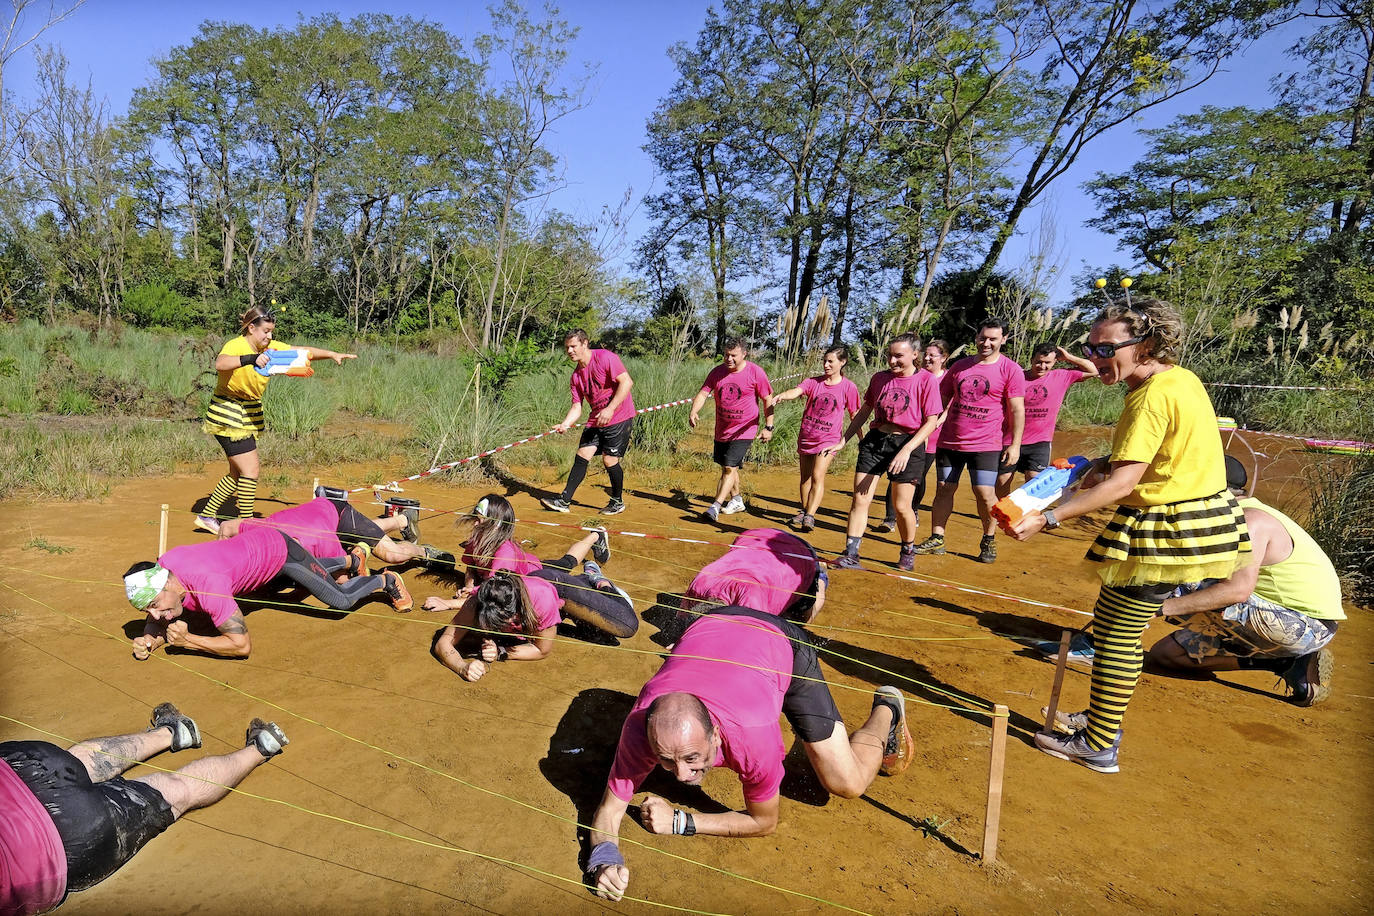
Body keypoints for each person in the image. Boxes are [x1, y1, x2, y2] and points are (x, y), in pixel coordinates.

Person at [1008, 297, 1251, 774]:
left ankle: (1099, 744)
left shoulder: (1150, 396)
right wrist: (1100, 464)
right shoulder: (1181, 380)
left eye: (1107, 348)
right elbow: (1162, 455)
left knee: (1117, 637)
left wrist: (1048, 517)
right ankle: (1101, 723)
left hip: (1164, 528)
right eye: (1092, 347)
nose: (1096, 357)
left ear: (1149, 344)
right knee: (1115, 624)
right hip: (1192, 520)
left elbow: (1124, 485)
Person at [584, 609, 913, 902]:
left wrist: (681, 822)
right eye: (667, 760)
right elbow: (609, 810)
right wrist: (604, 856)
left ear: (715, 733)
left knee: (847, 783)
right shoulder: (641, 727)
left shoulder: (752, 737)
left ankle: (887, 709)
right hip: (712, 624)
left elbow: (764, 821)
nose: (682, 776)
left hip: (778, 641)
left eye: (692, 758)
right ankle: (819, 739)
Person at [1, 703, 287, 915]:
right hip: (23, 766)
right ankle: (172, 732)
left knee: (177, 791)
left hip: (59, 844)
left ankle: (261, 747)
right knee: (77, 760)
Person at [1143, 456, 1342, 707]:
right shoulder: (1236, 517)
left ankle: (1112, 636)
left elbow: (1236, 590)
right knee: (1168, 655)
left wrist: (1159, 608)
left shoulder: (1250, 522)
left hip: (1305, 625)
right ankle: (1288, 663)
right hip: (1281, 622)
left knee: (1172, 582)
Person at [124, 525, 413, 660]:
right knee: (305, 579)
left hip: (279, 550)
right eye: (146, 611)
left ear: (167, 584)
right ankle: (352, 559)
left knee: (339, 600)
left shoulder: (209, 587)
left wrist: (188, 641)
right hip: (252, 552)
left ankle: (384, 581)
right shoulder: (162, 570)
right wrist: (150, 638)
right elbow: (158, 617)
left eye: (154, 605)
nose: (155, 614)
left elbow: (241, 646)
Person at [196, 305, 356, 533]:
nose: (269, 337)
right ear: (251, 328)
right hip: (228, 412)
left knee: (237, 472)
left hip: (248, 412)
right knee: (250, 470)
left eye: (271, 332)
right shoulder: (236, 345)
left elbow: (302, 352)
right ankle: (246, 524)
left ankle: (207, 515)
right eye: (266, 332)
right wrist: (252, 358)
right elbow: (220, 364)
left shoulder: (271, 347)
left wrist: (331, 354)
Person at [440, 494, 636, 637]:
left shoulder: (504, 555)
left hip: (538, 574)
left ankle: (596, 537)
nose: (474, 525)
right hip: (528, 567)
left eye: (480, 521)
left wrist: (452, 602)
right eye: (475, 519)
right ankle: (594, 544)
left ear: (495, 525)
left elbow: (493, 594)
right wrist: (468, 585)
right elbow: (471, 566)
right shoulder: (478, 540)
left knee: (567, 563)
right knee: (566, 562)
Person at [829, 333, 943, 572]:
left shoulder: (926, 380)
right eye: (890, 355)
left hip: (908, 443)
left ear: (915, 354)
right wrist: (843, 440)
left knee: (902, 506)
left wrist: (907, 450)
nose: (892, 361)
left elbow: (931, 421)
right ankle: (851, 553)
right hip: (876, 440)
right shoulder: (879, 378)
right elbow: (865, 410)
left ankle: (907, 549)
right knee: (860, 498)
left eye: (898, 356)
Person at [916, 318, 1025, 564]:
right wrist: (926, 427)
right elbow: (940, 400)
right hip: (950, 441)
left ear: (1003, 339)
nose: (986, 343)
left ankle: (988, 539)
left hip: (986, 444)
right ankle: (937, 538)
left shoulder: (1011, 369)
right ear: (976, 337)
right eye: (982, 337)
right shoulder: (960, 367)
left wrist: (1015, 444)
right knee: (944, 488)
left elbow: (1017, 410)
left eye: (992, 339)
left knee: (985, 493)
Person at [217, 491, 449, 571]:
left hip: (335, 513)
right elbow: (227, 527)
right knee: (360, 533)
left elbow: (344, 573)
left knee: (391, 555)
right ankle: (402, 520)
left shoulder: (318, 542)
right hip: (319, 517)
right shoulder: (261, 529)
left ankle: (424, 552)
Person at [541, 329, 636, 516]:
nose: (569, 351)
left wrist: (610, 409)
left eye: (573, 346)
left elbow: (627, 382)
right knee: (582, 454)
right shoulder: (575, 377)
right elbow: (577, 406)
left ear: (585, 344)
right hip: (596, 419)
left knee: (609, 460)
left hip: (619, 415)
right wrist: (565, 424)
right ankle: (564, 501)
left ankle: (617, 502)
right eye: (567, 347)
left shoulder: (606, 357)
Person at [770, 345, 860, 532]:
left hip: (828, 439)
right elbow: (797, 391)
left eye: (831, 362)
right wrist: (781, 396)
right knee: (806, 478)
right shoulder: (813, 382)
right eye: (824, 361)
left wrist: (862, 439)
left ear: (842, 363)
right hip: (807, 436)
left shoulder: (848, 387)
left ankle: (810, 515)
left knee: (818, 475)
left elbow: (855, 414)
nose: (826, 365)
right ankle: (804, 511)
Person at [995, 342, 1099, 500]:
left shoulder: (1062, 375)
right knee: (1002, 480)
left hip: (1040, 441)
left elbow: (1094, 370)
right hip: (1011, 439)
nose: (1042, 366)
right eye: (1038, 361)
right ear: (1031, 359)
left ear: (1055, 361)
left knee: (1035, 480)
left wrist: (1069, 357)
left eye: (1047, 363)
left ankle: (1024, 513)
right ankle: (1001, 510)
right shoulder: (1018, 377)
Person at [689, 339, 774, 521]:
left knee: (729, 467)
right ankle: (736, 500)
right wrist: (694, 410)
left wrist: (769, 426)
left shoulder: (755, 372)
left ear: (744, 354)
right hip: (723, 429)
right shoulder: (717, 372)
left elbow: (768, 399)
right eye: (726, 355)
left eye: (733, 355)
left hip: (745, 429)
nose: (729, 359)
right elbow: (704, 392)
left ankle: (715, 507)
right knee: (728, 467)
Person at [678, 528, 829, 628]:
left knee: (801, 622)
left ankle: (821, 576)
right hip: (753, 537)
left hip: (802, 555)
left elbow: (751, 639)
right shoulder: (700, 584)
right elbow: (682, 618)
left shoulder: (751, 602)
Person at [877, 339, 949, 533]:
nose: (927, 358)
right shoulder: (914, 376)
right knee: (896, 475)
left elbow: (944, 411)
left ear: (944, 358)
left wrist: (932, 428)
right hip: (909, 435)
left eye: (932, 355)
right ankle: (890, 517)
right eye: (926, 354)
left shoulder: (945, 379)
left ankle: (913, 510)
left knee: (918, 478)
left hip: (932, 436)